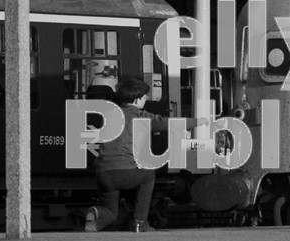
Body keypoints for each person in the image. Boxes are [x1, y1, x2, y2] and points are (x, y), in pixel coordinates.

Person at [85, 77, 208, 233]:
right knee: (148, 175)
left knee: (111, 213)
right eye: (144, 97)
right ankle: (139, 223)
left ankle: (95, 214)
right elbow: (166, 123)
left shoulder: (110, 115)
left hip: (103, 173)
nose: (146, 99)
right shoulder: (139, 116)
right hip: (124, 171)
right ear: (137, 100)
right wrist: (196, 122)